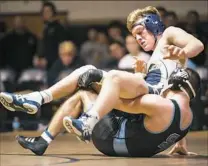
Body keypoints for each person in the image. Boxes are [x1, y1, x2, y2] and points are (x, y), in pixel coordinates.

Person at [0, 6, 203, 117]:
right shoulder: (152, 58)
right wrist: (142, 73)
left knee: (95, 73)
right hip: (145, 101)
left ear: (154, 25)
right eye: (135, 35)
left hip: (154, 101)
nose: (139, 39)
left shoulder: (169, 33)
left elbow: (197, 45)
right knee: (87, 73)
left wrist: (183, 50)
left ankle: (86, 120)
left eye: (140, 32)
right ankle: (39, 99)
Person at [16, 67, 200, 157]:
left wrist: (100, 84)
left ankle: (47, 138)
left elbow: (116, 103)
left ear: (173, 83)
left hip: (111, 140)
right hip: (136, 149)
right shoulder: (188, 118)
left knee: (83, 93)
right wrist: (180, 145)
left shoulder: (161, 105)